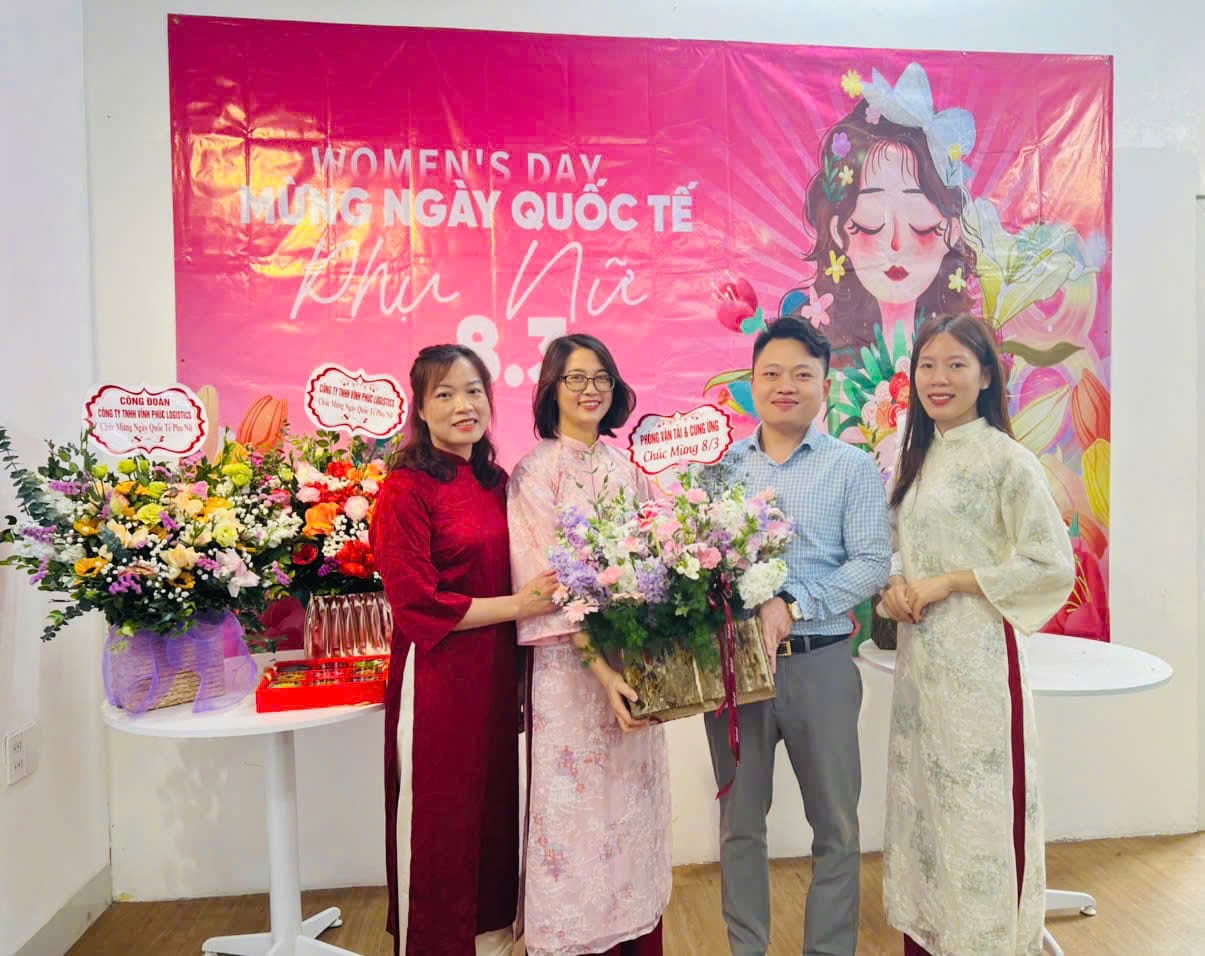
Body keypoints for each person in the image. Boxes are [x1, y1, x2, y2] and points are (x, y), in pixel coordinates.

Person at [878, 314, 1075, 956]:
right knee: (927, 809)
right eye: (928, 365)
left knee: (980, 813)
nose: (939, 379)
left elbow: (1050, 565)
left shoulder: (1007, 461)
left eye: (956, 365)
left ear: (986, 376)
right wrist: (897, 584)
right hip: (921, 670)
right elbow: (896, 543)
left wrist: (949, 583)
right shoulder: (915, 456)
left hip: (982, 667)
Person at [705, 316, 891, 956]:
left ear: (825, 386)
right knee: (739, 825)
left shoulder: (852, 467)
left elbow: (872, 563)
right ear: (752, 383)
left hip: (821, 664)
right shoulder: (721, 469)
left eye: (802, 374)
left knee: (836, 825)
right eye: (772, 374)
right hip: (738, 670)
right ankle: (746, 949)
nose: (786, 386)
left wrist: (795, 601)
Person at [370, 344, 557, 956]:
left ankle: (493, 940)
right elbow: (417, 604)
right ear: (421, 408)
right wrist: (519, 606)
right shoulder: (405, 489)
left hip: (498, 676)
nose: (462, 405)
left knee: (496, 812)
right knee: (441, 821)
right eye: (445, 394)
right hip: (439, 682)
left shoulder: (497, 483)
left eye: (473, 390)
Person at [507, 333, 672, 956]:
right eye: (575, 378)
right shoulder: (534, 473)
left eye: (601, 377)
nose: (590, 389)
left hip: (631, 666)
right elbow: (546, 589)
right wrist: (601, 671)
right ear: (551, 390)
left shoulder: (629, 471)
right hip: (571, 673)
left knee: (631, 808)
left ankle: (633, 930)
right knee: (574, 823)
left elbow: (660, 565)